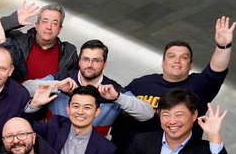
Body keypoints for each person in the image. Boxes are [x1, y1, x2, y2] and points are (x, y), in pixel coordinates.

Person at [112, 17, 236, 152]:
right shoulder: (141, 83)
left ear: (190, 66)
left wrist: (223, 47)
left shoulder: (199, 86)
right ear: (163, 62)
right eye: (171, 56)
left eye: (184, 57)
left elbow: (217, 70)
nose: (177, 61)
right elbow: (117, 108)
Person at [22, 40, 153, 135]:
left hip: (90, 152)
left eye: (96, 60)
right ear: (79, 61)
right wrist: (56, 86)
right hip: (52, 142)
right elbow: (25, 89)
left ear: (104, 64)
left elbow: (147, 114)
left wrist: (118, 98)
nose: (89, 65)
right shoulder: (63, 79)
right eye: (85, 59)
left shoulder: (112, 90)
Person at [3, 4, 78, 81]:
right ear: (37, 25)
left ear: (60, 29)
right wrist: (13, 20)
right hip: (15, 92)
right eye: (45, 21)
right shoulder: (18, 40)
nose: (49, 27)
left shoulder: (69, 53)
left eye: (55, 23)